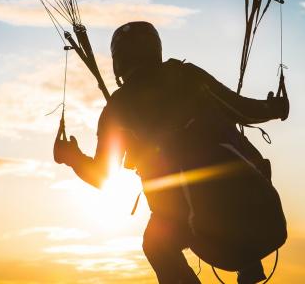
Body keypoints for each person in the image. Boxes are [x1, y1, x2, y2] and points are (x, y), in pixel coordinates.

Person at [54, 21, 289, 284]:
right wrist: (275, 107)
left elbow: (102, 177)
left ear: (118, 62)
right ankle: (249, 262)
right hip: (268, 222)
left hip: (208, 238)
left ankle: (241, 260)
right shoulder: (186, 76)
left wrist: (71, 157)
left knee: (155, 244)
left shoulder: (118, 109)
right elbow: (243, 110)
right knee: (231, 175)